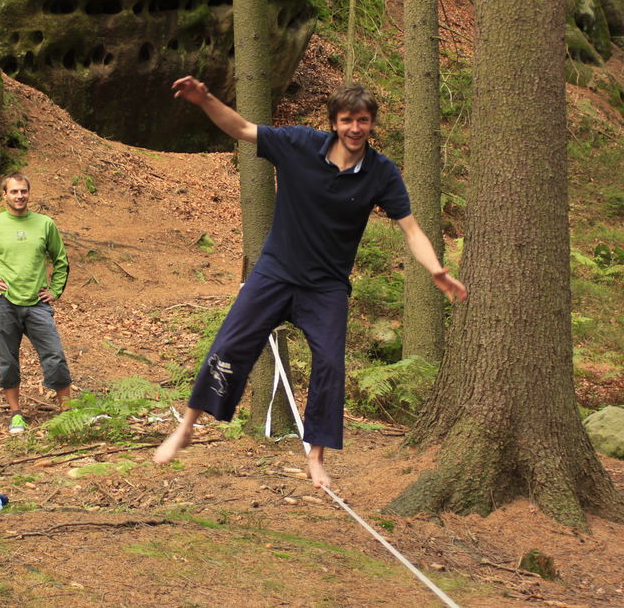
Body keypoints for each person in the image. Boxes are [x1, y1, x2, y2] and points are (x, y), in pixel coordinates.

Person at [153, 76, 467, 488]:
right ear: (334, 122)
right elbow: (243, 129)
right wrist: (206, 99)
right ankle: (187, 425)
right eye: (348, 120)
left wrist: (435, 269)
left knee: (330, 365)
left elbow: (411, 229)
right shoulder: (298, 144)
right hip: (275, 273)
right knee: (229, 343)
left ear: (372, 124)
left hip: (327, 287)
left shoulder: (381, 173)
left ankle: (315, 458)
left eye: (364, 120)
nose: (356, 128)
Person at [0, 172, 73, 435]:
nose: (19, 196)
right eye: (14, 192)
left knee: (55, 356)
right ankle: (16, 414)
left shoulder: (45, 224)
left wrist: (55, 290)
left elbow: (61, 260)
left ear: (29, 193)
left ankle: (68, 413)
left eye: (23, 191)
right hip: (5, 304)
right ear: (5, 195)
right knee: (7, 360)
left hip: (37, 304)